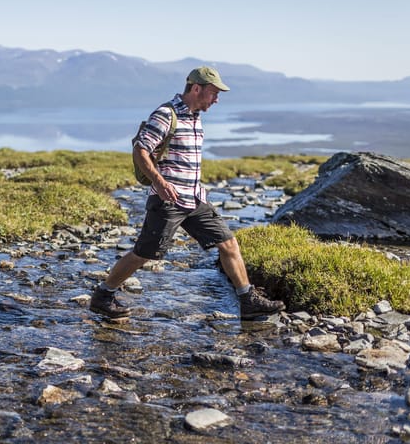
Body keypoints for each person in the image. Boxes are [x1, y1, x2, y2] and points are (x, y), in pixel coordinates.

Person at [90, 66, 285, 320]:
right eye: (213, 93)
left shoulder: (195, 117)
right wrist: (159, 183)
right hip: (168, 200)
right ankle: (103, 295)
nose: (216, 99)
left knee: (228, 243)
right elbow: (141, 149)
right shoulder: (165, 114)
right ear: (196, 88)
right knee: (144, 253)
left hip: (194, 199)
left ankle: (248, 301)